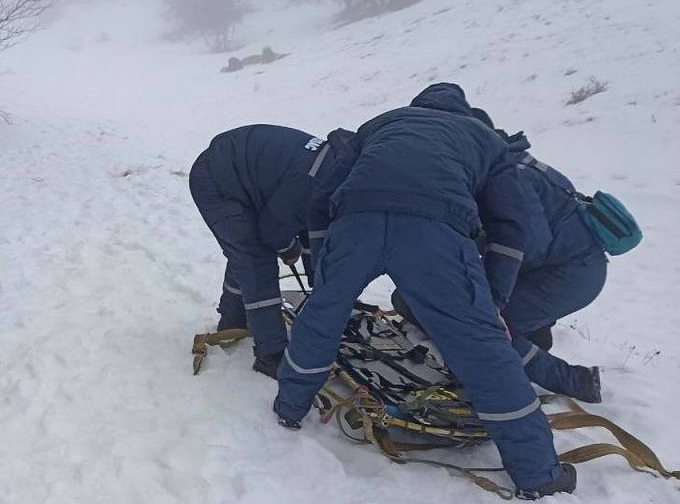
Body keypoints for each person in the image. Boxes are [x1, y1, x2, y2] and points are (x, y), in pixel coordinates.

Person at [274, 84, 576, 499]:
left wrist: (328, 270)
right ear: (465, 111)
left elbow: (322, 198)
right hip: (435, 233)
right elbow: (510, 227)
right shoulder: (487, 140)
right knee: (481, 347)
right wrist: (493, 304)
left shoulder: (382, 123)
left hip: (356, 219)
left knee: (323, 315)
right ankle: (538, 474)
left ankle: (289, 409)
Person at [392, 109, 604, 404]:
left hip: (568, 274)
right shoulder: (500, 164)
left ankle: (572, 380)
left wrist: (475, 266)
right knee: (457, 309)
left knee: (480, 328)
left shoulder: (511, 175)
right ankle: (529, 343)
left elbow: (530, 243)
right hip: (558, 268)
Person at [190, 124, 331, 379]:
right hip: (217, 182)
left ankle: (232, 320)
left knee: (245, 253)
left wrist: (319, 281)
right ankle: (271, 354)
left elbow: (312, 226)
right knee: (256, 260)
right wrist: (290, 248)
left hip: (248, 180)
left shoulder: (332, 168)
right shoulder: (309, 180)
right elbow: (273, 232)